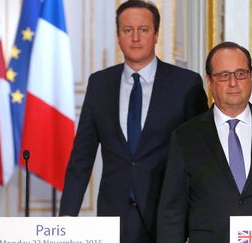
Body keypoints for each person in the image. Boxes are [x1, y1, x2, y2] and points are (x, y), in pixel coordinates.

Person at [59, 1, 208, 243]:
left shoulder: (186, 85)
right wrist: (66, 218)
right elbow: (81, 158)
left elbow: (200, 160)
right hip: (113, 220)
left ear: (156, 34)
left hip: (166, 221)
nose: (136, 37)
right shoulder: (99, 84)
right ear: (118, 36)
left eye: (144, 29)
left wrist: (197, 224)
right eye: (128, 30)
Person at [157, 41, 252, 243]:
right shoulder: (186, 136)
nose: (233, 83)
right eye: (223, 75)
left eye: (240, 74)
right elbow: (172, 214)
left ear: (251, 77)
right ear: (209, 81)